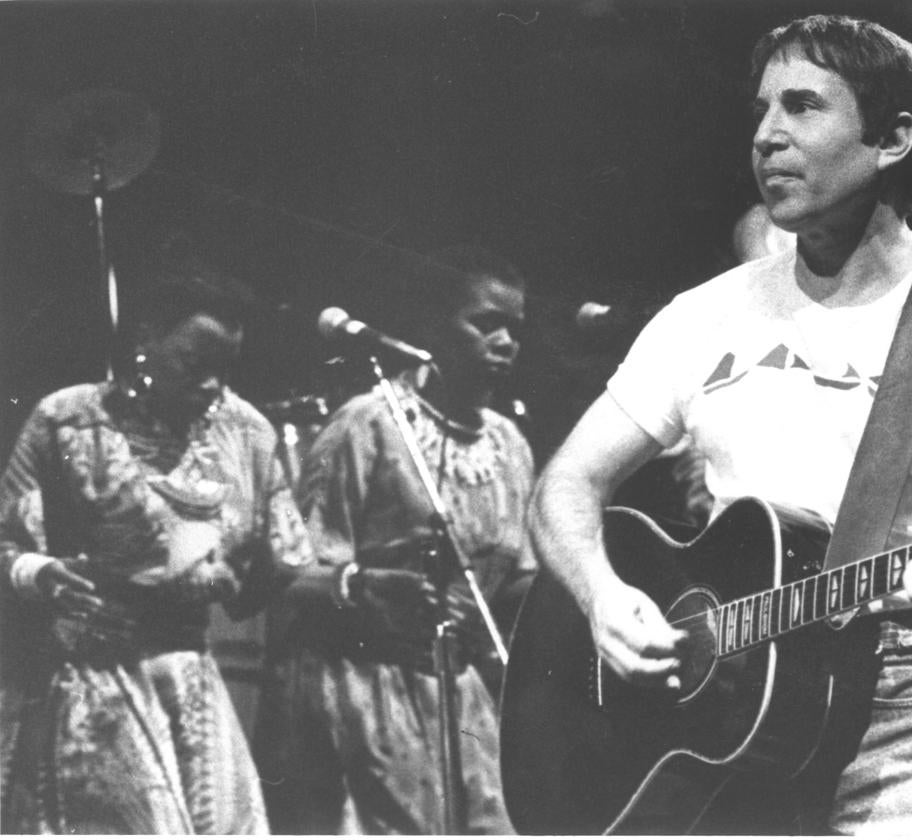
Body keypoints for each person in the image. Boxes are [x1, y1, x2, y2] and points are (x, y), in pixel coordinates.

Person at [529, 14, 912, 835]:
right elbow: (567, 481)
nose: (767, 136)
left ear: (892, 138)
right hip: (725, 727)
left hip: (904, 708)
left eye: (804, 107)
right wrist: (602, 598)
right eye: (762, 110)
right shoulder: (704, 315)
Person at [0, 242, 314, 834]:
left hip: (191, 679)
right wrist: (40, 574)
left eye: (228, 365)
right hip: (93, 678)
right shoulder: (67, 419)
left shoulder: (246, 432)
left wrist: (235, 580)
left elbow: (281, 559)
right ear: (146, 337)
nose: (214, 383)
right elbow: (6, 541)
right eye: (196, 361)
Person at [254, 244, 534, 834]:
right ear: (433, 326)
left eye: (514, 328)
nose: (505, 341)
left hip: (461, 696)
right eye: (486, 323)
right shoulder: (368, 423)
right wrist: (366, 589)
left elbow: (517, 582)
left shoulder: (510, 445)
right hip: (364, 692)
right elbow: (290, 576)